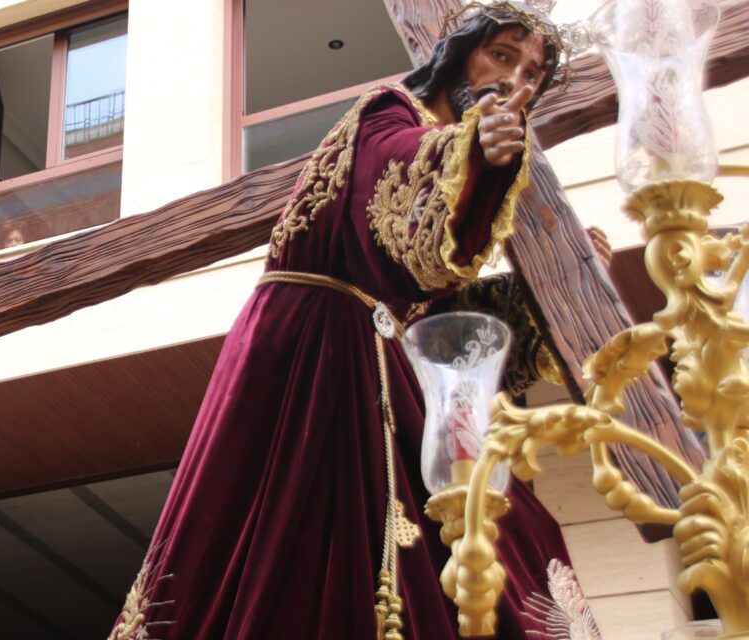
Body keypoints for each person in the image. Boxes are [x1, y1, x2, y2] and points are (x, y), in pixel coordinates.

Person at [107, 2, 598, 639]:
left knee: (511, 530)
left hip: (392, 357)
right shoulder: (385, 113)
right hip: (317, 350)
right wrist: (469, 149)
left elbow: (442, 310)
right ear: (459, 52)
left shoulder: (471, 160)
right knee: (311, 544)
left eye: (532, 75)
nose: (515, 84)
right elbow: (393, 191)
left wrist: (552, 300)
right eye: (502, 57)